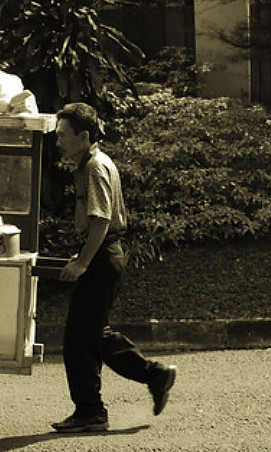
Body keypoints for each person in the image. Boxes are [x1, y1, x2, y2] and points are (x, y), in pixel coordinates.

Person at [51, 103, 176, 433]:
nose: (58, 142)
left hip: (104, 256)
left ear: (84, 136)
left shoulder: (95, 167)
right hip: (103, 255)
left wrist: (82, 263)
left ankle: (92, 411)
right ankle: (153, 375)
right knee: (92, 336)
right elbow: (84, 222)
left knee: (79, 340)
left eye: (63, 136)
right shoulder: (87, 165)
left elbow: (101, 221)